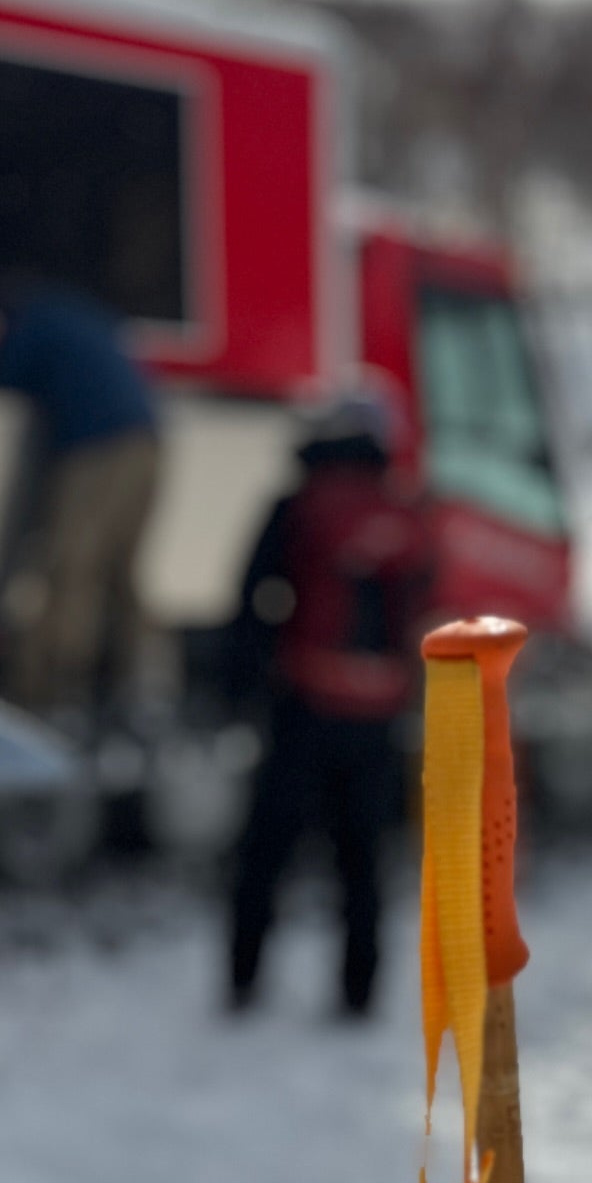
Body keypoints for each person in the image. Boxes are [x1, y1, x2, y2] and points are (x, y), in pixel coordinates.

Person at [222, 390, 432, 1021]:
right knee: (362, 866)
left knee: (265, 856)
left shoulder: (298, 505)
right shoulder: (403, 510)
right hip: (378, 715)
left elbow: (253, 600)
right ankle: (358, 996)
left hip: (304, 706)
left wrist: (245, 687)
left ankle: (243, 983)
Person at [0, 274, 163, 718]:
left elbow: (5, 373)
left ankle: (52, 686)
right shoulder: (78, 315)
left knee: (71, 566)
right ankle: (141, 681)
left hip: (97, 448)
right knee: (120, 568)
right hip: (149, 443)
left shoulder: (31, 323)